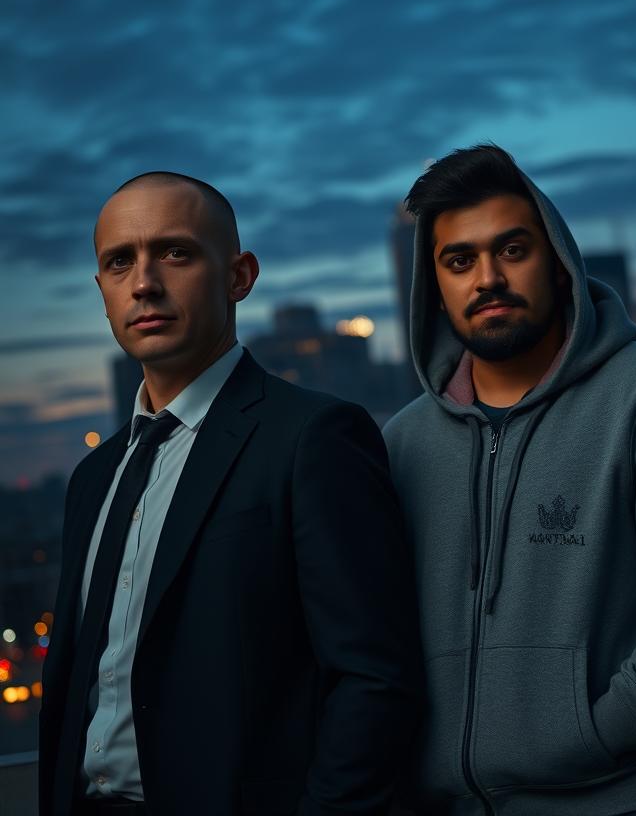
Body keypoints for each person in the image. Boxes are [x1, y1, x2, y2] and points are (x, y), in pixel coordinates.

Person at [40, 172, 422, 816]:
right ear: (102, 291)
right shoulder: (94, 477)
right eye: (119, 263)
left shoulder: (314, 437)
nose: (144, 282)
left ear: (239, 276)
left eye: (176, 253)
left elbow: (374, 679)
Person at [383, 144, 636, 816]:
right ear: (435, 286)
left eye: (513, 250)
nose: (487, 279)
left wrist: (603, 731)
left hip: (627, 800)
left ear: (559, 264)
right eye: (460, 261)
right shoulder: (402, 443)